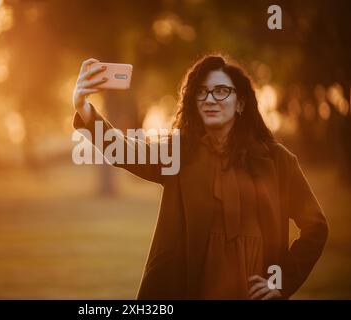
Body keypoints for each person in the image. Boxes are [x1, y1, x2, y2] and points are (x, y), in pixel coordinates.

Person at [71, 55, 328, 300]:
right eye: (202, 92)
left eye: (221, 91)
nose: (210, 99)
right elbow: (124, 151)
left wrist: (282, 280)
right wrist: (83, 107)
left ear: (241, 103)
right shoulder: (179, 153)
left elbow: (315, 227)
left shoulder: (277, 161)